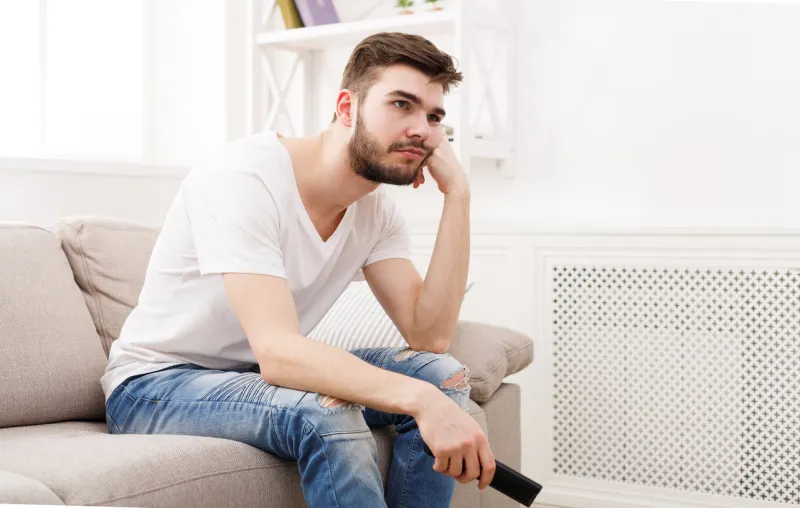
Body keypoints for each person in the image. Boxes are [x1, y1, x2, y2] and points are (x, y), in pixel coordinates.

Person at [101, 31, 495, 508]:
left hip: (253, 378)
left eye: (433, 116)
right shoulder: (244, 178)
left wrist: (459, 195)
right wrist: (418, 400)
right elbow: (280, 353)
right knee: (328, 411)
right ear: (347, 108)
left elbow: (428, 335)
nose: (422, 129)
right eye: (401, 105)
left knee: (443, 375)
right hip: (156, 385)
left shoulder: (376, 211)